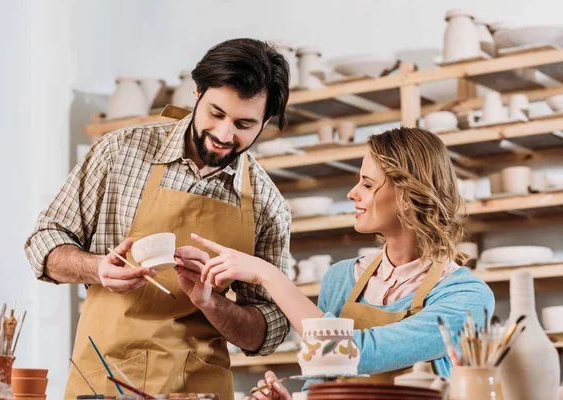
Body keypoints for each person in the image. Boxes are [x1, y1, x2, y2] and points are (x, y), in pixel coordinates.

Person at [24, 38, 293, 399]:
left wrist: (212, 302)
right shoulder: (121, 152)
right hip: (106, 380)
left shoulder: (267, 203)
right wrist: (98, 268)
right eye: (216, 113)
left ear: (266, 121)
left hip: (198, 388)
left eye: (244, 124)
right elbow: (44, 242)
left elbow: (267, 331)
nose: (224, 135)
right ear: (196, 94)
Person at [188, 126, 496, 399]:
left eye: (367, 184)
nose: (352, 193)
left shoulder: (467, 297)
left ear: (406, 193)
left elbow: (358, 353)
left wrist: (269, 275)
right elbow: (321, 381)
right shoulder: (341, 278)